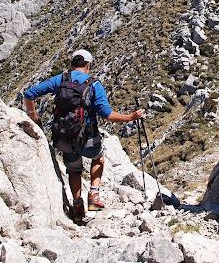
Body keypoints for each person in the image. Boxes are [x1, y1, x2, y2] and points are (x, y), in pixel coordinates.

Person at [23, 49, 143, 220]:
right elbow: (107, 114)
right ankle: (93, 196)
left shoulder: (61, 79)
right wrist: (130, 117)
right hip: (88, 138)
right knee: (98, 158)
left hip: (63, 137)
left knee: (74, 170)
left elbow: (29, 94)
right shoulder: (94, 84)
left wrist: (34, 117)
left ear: (72, 64)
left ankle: (77, 205)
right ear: (88, 65)